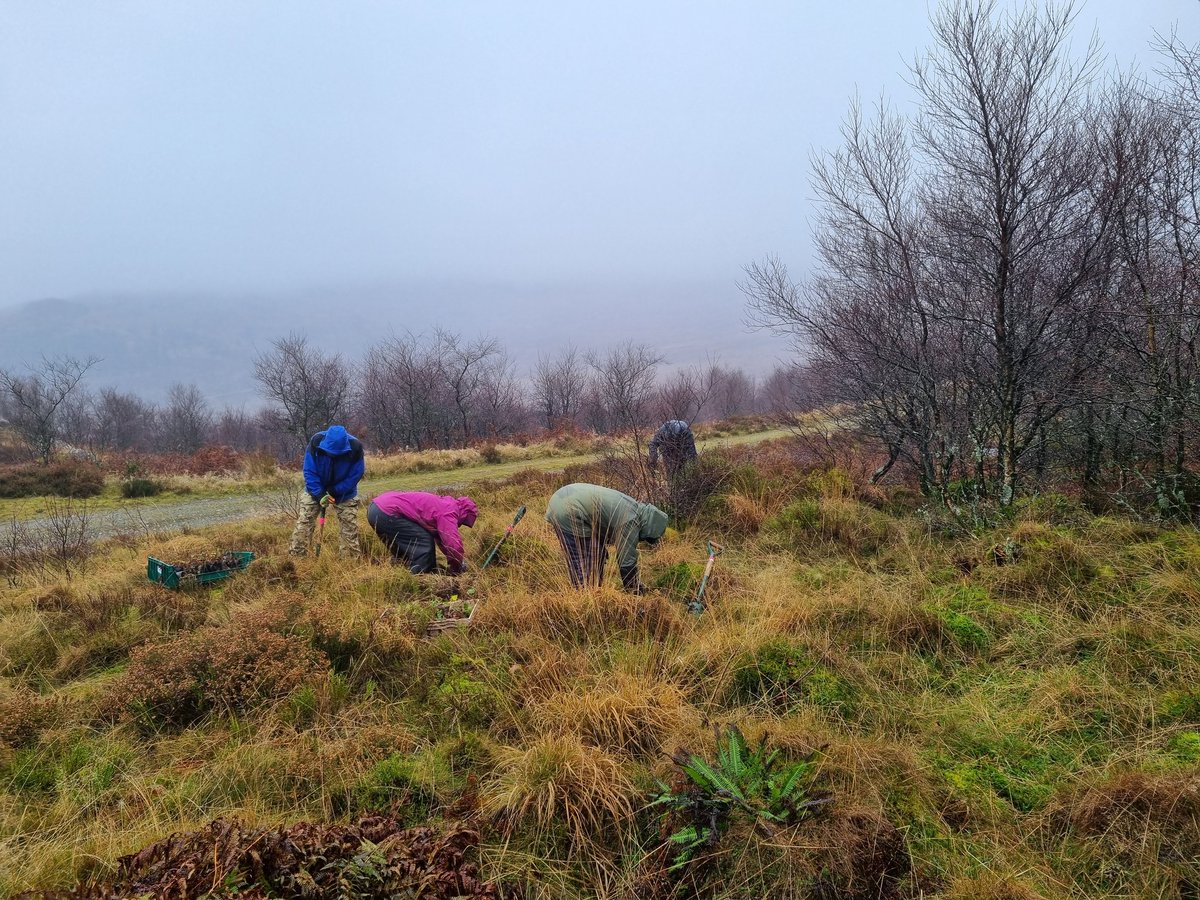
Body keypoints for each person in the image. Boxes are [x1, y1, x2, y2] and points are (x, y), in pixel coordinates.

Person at [545, 483, 668, 593]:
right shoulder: (630, 521)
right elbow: (626, 561)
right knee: (587, 558)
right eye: (647, 538)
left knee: (598, 554)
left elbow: (603, 522)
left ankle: (594, 592)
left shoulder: (634, 508)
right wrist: (635, 590)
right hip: (570, 510)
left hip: (564, 498)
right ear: (649, 529)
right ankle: (584, 600)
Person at [288, 425, 365, 558]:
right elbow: (309, 471)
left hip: (344, 491)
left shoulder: (355, 446)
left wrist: (334, 491)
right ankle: (297, 560)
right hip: (316, 488)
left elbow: (355, 475)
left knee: (349, 527)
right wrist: (319, 494)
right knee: (304, 523)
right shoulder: (316, 441)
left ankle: (350, 562)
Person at [367, 491, 478, 574]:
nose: (460, 525)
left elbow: (442, 540)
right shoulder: (449, 511)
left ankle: (399, 575)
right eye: (464, 522)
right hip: (387, 511)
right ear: (464, 514)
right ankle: (421, 580)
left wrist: (455, 561)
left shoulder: (444, 505)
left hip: (376, 508)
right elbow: (452, 544)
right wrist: (457, 568)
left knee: (404, 551)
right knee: (424, 542)